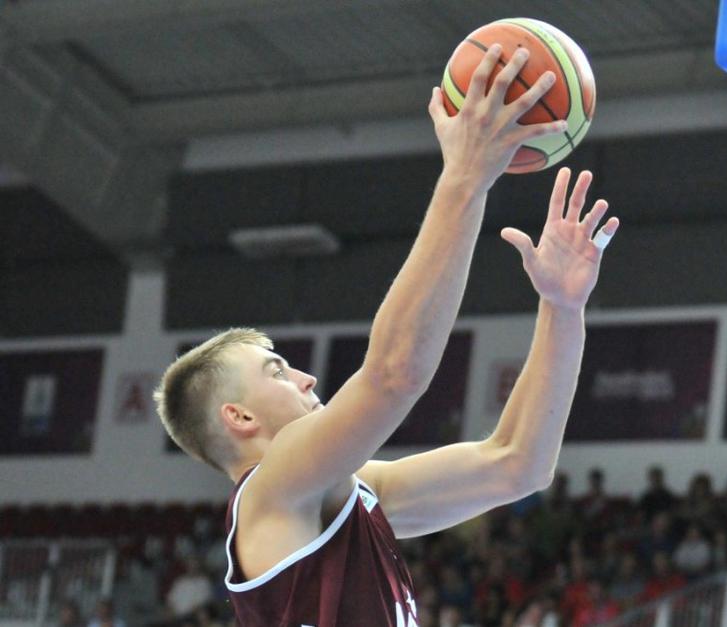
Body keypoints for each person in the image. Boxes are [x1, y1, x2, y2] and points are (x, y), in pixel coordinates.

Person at [153, 44, 619, 626]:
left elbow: (517, 465)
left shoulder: (352, 493)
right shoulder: (272, 489)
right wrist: (466, 177)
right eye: (277, 371)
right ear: (239, 417)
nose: (307, 377)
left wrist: (562, 307)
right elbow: (394, 374)